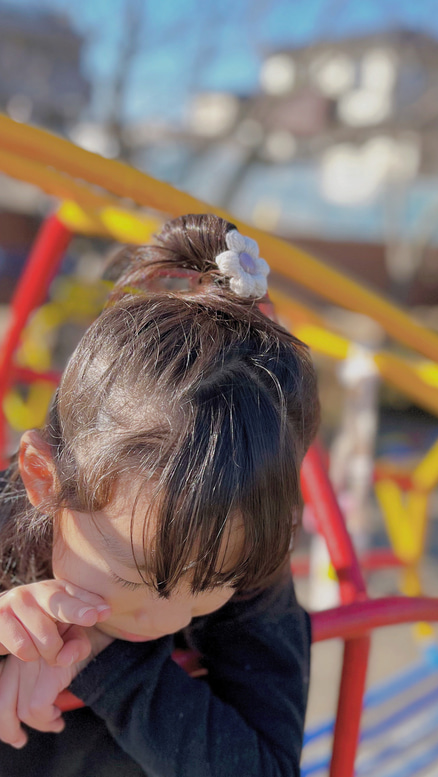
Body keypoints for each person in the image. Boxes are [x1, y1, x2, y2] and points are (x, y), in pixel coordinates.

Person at [0, 213, 320, 777]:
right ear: (43, 478)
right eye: (134, 575)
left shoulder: (250, 563)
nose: (165, 617)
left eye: (210, 585)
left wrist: (105, 655)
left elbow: (269, 767)